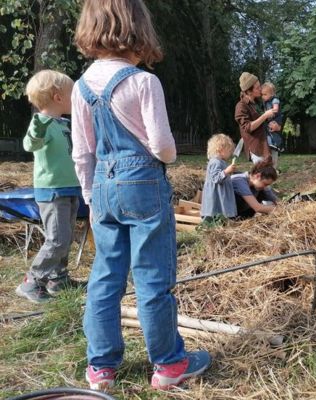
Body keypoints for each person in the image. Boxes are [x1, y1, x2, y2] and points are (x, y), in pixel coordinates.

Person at [71, 0, 211, 391]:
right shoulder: (143, 82)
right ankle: (168, 365)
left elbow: (82, 152)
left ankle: (100, 367)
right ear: (138, 30)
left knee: (105, 277)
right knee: (152, 277)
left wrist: (90, 197)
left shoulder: (81, 87)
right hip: (142, 184)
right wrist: (163, 153)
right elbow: (164, 147)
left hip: (101, 184)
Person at [15, 70, 81, 303]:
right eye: (72, 94)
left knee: (67, 234)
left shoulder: (63, 124)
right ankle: (32, 280)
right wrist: (38, 126)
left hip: (69, 187)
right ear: (58, 97)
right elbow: (29, 144)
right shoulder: (41, 124)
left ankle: (58, 278)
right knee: (58, 238)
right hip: (52, 191)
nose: (76, 98)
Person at [234, 72, 279, 164]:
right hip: (257, 149)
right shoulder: (241, 106)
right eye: (257, 87)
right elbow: (247, 127)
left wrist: (277, 126)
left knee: (271, 176)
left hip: (268, 146)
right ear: (249, 91)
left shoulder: (258, 103)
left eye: (260, 86)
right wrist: (265, 115)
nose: (261, 89)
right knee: (263, 177)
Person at [201, 133, 237, 221]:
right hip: (216, 193)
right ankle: (212, 221)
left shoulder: (221, 162)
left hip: (222, 191)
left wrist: (229, 172)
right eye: (229, 151)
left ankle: (221, 220)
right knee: (215, 209)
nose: (230, 153)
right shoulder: (215, 162)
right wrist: (226, 171)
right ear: (220, 149)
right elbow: (215, 178)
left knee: (221, 209)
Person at [261, 82, 284, 169]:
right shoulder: (265, 102)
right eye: (262, 94)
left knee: (274, 132)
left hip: (275, 119)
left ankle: (277, 144)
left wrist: (270, 112)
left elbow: (276, 109)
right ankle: (272, 144)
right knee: (270, 133)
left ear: (272, 94)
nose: (263, 96)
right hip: (270, 120)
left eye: (265, 94)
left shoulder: (275, 100)